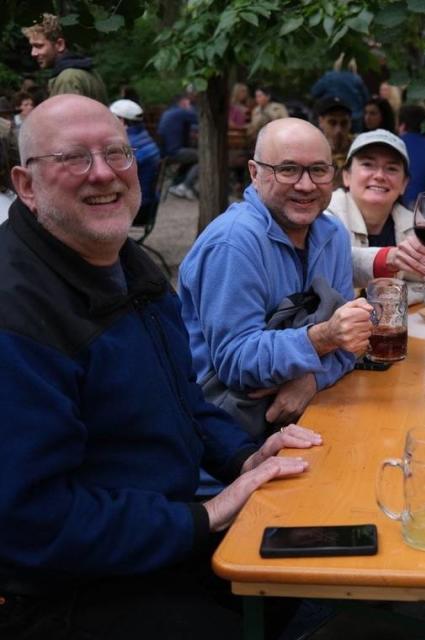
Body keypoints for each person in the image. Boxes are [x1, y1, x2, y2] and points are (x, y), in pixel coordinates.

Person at [0, 94, 321, 638]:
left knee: (316, 562)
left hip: (158, 535)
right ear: (26, 185)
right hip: (59, 588)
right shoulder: (18, 313)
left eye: (118, 153)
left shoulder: (130, 265)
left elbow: (184, 402)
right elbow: (31, 521)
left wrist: (245, 458)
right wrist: (208, 515)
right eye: (74, 158)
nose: (103, 173)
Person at [179, 118, 372, 434]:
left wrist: (312, 379)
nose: (306, 185)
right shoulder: (233, 242)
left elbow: (350, 345)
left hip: (309, 416)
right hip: (225, 443)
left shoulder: (332, 233)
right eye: (288, 169)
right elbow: (235, 362)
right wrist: (322, 338)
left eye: (318, 170)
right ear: (255, 173)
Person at [326, 129, 425, 288]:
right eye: (368, 164)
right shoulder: (326, 215)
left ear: (404, 184)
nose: (379, 175)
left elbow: (422, 286)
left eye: (391, 168)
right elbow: (327, 260)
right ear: (347, 176)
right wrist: (387, 258)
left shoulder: (415, 226)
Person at [20, 13, 107, 104]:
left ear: (60, 45)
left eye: (39, 46)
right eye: (32, 47)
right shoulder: (86, 71)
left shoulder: (68, 79)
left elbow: (66, 118)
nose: (33, 53)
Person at [110, 98, 161, 214]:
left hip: (137, 207)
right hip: (149, 203)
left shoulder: (127, 145)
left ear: (121, 121)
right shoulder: (144, 137)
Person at [157, 93, 200, 200]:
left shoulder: (169, 112)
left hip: (164, 152)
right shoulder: (181, 112)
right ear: (183, 103)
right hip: (174, 152)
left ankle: (176, 184)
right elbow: (200, 119)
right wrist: (189, 108)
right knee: (204, 157)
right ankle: (185, 186)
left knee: (192, 156)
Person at [309, 57, 370, 131]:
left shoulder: (329, 77)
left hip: (331, 115)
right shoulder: (356, 79)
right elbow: (366, 99)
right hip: (355, 117)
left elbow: (314, 92)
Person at [315, 95, 354, 174]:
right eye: (332, 123)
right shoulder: (311, 152)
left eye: (344, 123)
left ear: (350, 123)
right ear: (321, 121)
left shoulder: (359, 150)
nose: (338, 130)